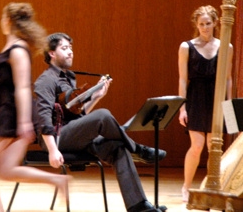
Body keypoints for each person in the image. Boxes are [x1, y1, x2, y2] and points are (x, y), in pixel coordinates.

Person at [33, 33, 167, 212]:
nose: (70, 52)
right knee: (103, 115)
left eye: (71, 48)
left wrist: (97, 96)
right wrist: (52, 150)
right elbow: (43, 117)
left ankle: (138, 206)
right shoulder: (46, 80)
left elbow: (78, 113)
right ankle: (138, 149)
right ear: (51, 54)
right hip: (56, 138)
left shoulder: (69, 77)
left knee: (117, 146)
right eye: (64, 48)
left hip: (74, 134)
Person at [0, 3, 70, 212]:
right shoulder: (13, 47)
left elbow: (24, 87)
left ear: (8, 21)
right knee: (6, 170)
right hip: (13, 112)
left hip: (13, 113)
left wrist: (25, 122)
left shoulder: (18, 50)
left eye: (2, 18)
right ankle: (58, 181)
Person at [177, 5, 233, 203]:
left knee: (213, 146)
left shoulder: (226, 46)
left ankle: (210, 185)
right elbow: (183, 80)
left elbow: (227, 78)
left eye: (208, 23)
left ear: (215, 23)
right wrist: (182, 108)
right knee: (197, 145)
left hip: (217, 98)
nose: (205, 27)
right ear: (196, 25)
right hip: (196, 98)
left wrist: (229, 106)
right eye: (201, 24)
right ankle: (186, 186)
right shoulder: (186, 47)